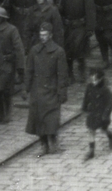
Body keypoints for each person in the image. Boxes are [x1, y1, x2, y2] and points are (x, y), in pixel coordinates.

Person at [25, 25, 71, 158]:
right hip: (37, 90)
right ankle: (43, 145)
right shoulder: (34, 51)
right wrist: (26, 88)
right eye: (41, 35)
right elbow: (29, 70)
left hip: (52, 89)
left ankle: (54, 143)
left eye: (45, 35)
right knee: (38, 119)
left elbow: (62, 74)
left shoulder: (58, 52)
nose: (42, 37)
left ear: (50, 35)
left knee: (51, 119)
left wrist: (62, 92)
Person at [82, 68, 112, 160]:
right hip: (92, 112)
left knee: (103, 129)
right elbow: (86, 98)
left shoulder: (105, 90)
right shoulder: (89, 87)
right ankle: (91, 151)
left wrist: (106, 114)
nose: (93, 82)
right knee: (91, 130)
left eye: (95, 80)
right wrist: (84, 108)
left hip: (102, 113)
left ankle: (110, 136)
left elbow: (109, 104)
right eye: (92, 80)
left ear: (100, 79)